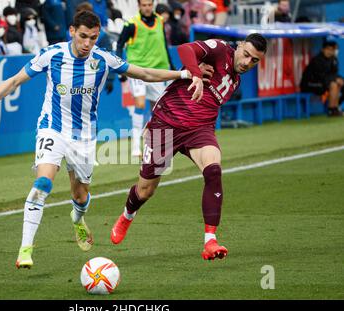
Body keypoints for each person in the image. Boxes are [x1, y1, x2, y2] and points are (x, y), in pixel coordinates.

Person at [0, 10, 192, 269]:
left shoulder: (103, 59)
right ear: (72, 31)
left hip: (84, 136)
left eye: (93, 38)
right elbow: (15, 80)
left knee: (81, 195)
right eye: (83, 36)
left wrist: (183, 75)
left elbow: (143, 74)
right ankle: (25, 249)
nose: (87, 44)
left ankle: (77, 217)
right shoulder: (52, 55)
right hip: (52, 128)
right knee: (42, 182)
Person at [110, 33, 268, 261]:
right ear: (240, 45)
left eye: (254, 61)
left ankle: (210, 241)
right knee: (146, 190)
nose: (247, 63)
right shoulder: (220, 49)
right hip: (166, 124)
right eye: (246, 55)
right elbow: (185, 49)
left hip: (199, 131)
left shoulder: (235, 81)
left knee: (214, 170)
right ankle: (127, 215)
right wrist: (194, 72)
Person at [116, 0, 174, 157]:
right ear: (139, 6)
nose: (147, 8)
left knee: (157, 109)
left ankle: (154, 144)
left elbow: (163, 45)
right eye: (144, 5)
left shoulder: (160, 21)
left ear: (153, 5)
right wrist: (120, 67)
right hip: (138, 71)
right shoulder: (132, 24)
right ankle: (136, 146)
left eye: (149, 5)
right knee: (140, 104)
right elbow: (120, 44)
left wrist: (172, 66)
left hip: (157, 71)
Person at [301, 41, 343, 117]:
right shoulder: (317, 60)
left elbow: (333, 74)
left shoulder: (333, 60)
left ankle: (335, 108)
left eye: (331, 50)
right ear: (323, 49)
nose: (329, 52)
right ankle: (331, 110)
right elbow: (320, 76)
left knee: (338, 84)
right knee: (333, 84)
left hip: (322, 83)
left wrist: (339, 79)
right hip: (310, 84)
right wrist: (335, 79)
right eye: (328, 49)